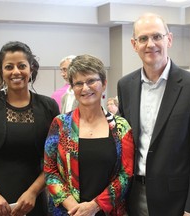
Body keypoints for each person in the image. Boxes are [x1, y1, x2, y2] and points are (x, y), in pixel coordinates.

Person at [117, 13, 190, 216]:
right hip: (134, 196)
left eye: (157, 36)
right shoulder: (125, 85)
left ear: (169, 39)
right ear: (133, 44)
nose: (150, 44)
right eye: (143, 38)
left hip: (178, 201)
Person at [0, 41, 59, 216]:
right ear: (1, 71)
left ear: (31, 69)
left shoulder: (48, 107)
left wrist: (33, 192)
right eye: (9, 66)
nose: (16, 71)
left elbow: (53, 161)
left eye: (22, 65)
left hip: (30, 201)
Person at [44, 54, 134, 216]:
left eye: (91, 81)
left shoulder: (120, 127)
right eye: (78, 83)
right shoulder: (60, 124)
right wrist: (75, 209)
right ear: (72, 87)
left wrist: (94, 206)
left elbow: (125, 174)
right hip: (68, 212)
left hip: (108, 211)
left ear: (104, 83)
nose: (85, 88)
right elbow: (50, 171)